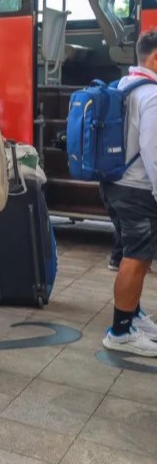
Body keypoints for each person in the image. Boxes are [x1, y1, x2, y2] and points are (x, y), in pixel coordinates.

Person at [99, 30, 157, 356]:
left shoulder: (123, 85)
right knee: (136, 259)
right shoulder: (152, 95)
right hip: (137, 189)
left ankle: (132, 315)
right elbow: (153, 149)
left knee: (133, 256)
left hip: (114, 184)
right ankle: (120, 331)